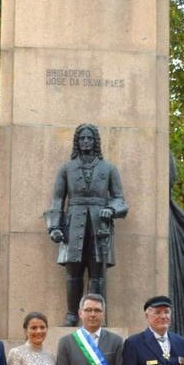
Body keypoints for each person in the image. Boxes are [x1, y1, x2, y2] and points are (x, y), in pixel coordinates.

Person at [45, 123, 127, 326]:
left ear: (95, 141)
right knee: (73, 272)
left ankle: (96, 314)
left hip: (100, 224)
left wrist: (112, 209)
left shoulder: (108, 169)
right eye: (82, 138)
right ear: (77, 142)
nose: (86, 142)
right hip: (74, 222)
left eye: (89, 138)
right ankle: (72, 314)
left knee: (97, 274)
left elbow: (119, 199)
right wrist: (54, 227)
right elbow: (57, 200)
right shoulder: (67, 168)